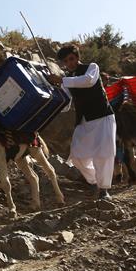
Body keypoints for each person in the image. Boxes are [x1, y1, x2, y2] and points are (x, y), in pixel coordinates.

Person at [47, 45, 116, 200]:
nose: (69, 63)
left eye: (71, 59)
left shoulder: (92, 68)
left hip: (102, 116)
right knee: (77, 156)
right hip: (84, 120)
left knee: (103, 155)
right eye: (65, 61)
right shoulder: (67, 80)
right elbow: (67, 103)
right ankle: (94, 181)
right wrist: (54, 92)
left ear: (77, 57)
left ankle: (104, 189)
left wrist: (62, 80)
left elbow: (89, 81)